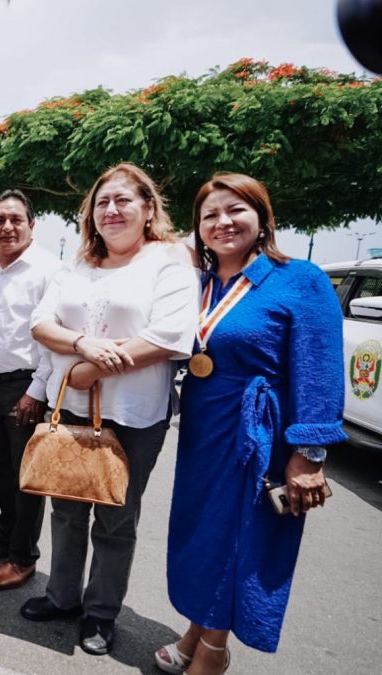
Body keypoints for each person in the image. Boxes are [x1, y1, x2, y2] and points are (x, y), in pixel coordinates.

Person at [156, 174, 346, 674]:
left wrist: (309, 455)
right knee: (203, 534)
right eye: (209, 215)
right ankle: (198, 630)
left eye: (235, 210)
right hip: (204, 428)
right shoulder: (199, 282)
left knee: (239, 537)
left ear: (262, 218)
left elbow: (320, 373)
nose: (223, 222)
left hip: (258, 435)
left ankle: (213, 653)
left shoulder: (299, 279)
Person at [24, 163, 197, 656]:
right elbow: (42, 322)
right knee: (66, 507)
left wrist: (89, 369)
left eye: (123, 200)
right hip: (73, 408)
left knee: (117, 519)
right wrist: (85, 344)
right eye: (102, 202)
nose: (112, 210)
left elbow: (168, 336)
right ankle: (61, 596)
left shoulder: (169, 261)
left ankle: (100, 613)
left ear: (148, 208)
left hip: (136, 414)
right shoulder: (78, 264)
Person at [0, 189, 59, 590]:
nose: (6, 227)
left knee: (27, 480)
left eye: (15, 220)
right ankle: (7, 538)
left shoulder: (48, 270)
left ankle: (24, 558)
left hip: (26, 386)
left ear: (32, 224)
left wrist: (36, 391)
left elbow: (55, 338)